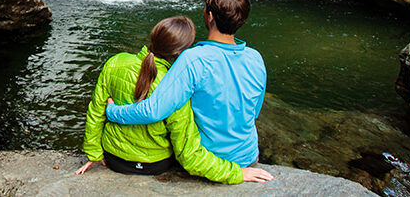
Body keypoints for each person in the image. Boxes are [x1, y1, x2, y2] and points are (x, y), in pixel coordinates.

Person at [75, 15, 272, 184]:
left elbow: (95, 113)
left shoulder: (115, 62)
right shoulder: (176, 85)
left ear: (154, 35)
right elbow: (187, 152)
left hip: (114, 158)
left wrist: (94, 154)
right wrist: (236, 173)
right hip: (157, 165)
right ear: (180, 52)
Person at [105, 0, 267, 168]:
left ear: (210, 16)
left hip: (209, 160)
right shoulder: (255, 58)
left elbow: (153, 110)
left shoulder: (194, 59)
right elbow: (253, 112)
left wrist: (113, 111)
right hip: (249, 156)